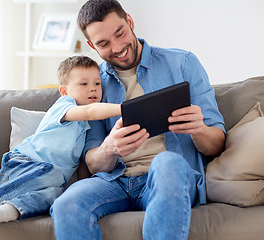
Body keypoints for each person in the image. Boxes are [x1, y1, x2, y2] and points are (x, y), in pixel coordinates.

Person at [50, 0, 226, 239]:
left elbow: (217, 144)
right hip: (115, 182)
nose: (117, 47)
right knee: (66, 204)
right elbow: (92, 163)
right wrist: (109, 148)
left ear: (130, 22)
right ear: (92, 46)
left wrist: (199, 130)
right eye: (104, 43)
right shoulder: (93, 84)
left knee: (167, 162)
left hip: (167, 176)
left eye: (120, 33)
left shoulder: (182, 64)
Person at [0, 55, 121, 240]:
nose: (93, 88)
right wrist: (123, 108)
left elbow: (82, 164)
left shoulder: (85, 127)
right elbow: (91, 111)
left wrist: (82, 186)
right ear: (64, 91)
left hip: (50, 179)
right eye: (84, 84)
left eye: (98, 83)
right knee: (53, 174)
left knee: (56, 194)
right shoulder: (64, 106)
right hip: (24, 163)